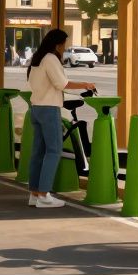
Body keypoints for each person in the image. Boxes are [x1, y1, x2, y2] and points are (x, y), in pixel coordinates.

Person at [25, 29, 93, 209]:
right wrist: (86, 85)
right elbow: (62, 84)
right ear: (57, 44)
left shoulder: (38, 58)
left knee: (38, 152)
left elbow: (34, 83)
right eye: (64, 44)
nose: (65, 47)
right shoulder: (51, 59)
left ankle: (34, 194)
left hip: (36, 108)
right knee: (54, 151)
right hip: (49, 109)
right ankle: (44, 195)